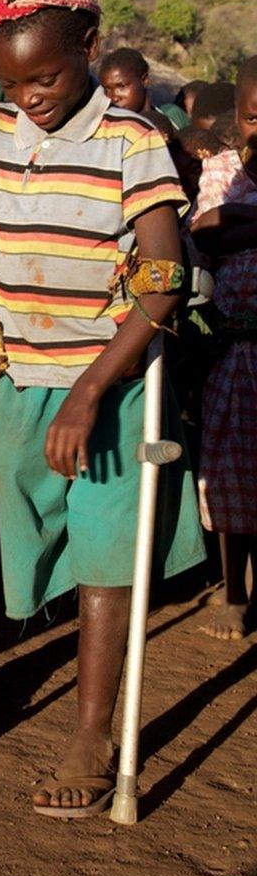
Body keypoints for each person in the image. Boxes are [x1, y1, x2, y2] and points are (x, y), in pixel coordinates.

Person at [0, 0, 205, 817]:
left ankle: (91, 740)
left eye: (46, 80)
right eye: (13, 82)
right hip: (22, 372)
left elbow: (161, 278)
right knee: (32, 542)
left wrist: (91, 390)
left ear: (88, 52)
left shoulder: (132, 137)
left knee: (108, 553)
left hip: (110, 374)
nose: (30, 99)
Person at [188, 55, 257, 640]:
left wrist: (237, 222)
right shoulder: (224, 167)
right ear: (237, 117)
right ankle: (235, 590)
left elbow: (224, 229)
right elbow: (203, 232)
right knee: (230, 476)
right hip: (233, 348)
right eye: (255, 118)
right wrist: (232, 215)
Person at [98, 46, 185, 132]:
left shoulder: (173, 118)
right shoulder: (106, 131)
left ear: (144, 80)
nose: (114, 98)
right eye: (107, 89)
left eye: (122, 86)